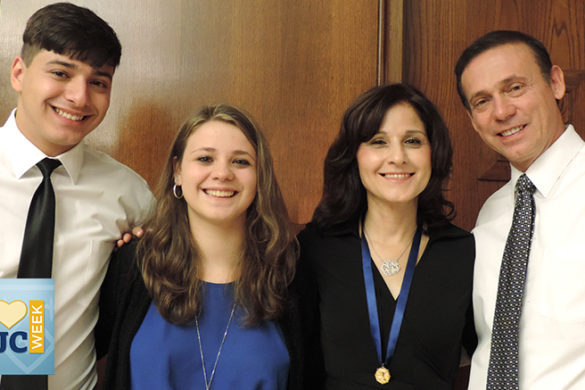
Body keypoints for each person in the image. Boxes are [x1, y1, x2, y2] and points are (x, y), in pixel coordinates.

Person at [0, 3, 154, 389]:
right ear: (19, 73)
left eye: (98, 82)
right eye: (61, 73)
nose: (79, 97)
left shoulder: (129, 194)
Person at [95, 104, 302, 389]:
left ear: (260, 177)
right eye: (205, 158)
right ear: (177, 171)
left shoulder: (291, 273)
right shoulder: (135, 265)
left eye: (241, 162)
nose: (222, 173)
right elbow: (65, 349)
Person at [297, 83, 476, 389]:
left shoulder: (464, 251)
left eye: (413, 141)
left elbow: (491, 357)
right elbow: (300, 368)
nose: (398, 157)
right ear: (355, 156)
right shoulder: (317, 248)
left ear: (434, 152)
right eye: (379, 142)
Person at [455, 30, 585, 389]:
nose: (501, 111)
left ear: (556, 83)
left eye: (515, 88)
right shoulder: (491, 214)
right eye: (481, 101)